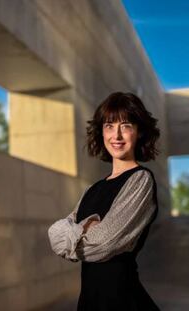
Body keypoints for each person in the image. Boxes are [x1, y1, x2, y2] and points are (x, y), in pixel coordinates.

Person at [47, 91, 161, 310]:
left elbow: (103, 244)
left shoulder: (140, 180)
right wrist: (87, 228)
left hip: (124, 302)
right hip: (90, 302)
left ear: (139, 133)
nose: (116, 135)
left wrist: (76, 232)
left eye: (126, 125)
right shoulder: (94, 188)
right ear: (101, 132)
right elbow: (55, 235)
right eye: (109, 126)